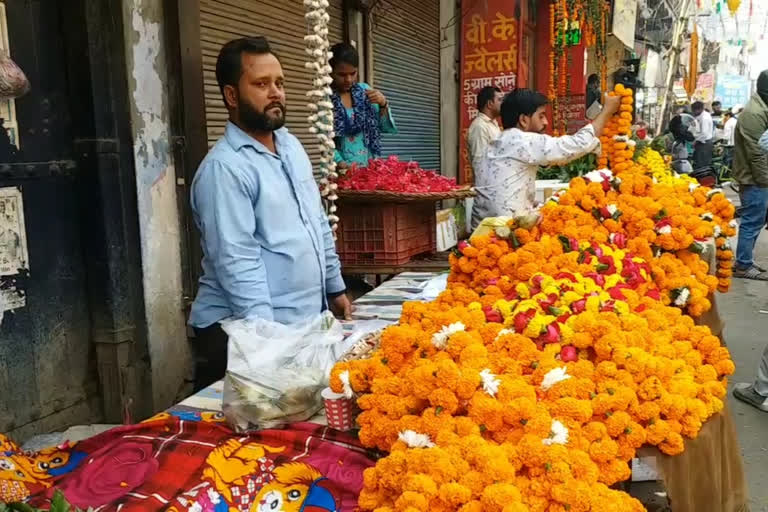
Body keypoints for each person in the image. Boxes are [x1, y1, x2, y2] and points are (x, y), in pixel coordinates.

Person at [188, 37, 351, 390]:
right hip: (244, 337)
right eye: (261, 84)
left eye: (279, 82)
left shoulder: (291, 147)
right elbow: (237, 263)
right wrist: (267, 351)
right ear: (231, 96)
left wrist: (334, 286)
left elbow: (316, 221)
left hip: (298, 327)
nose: (275, 92)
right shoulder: (225, 170)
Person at [471, 89, 621, 228]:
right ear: (523, 120)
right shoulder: (521, 140)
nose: (546, 122)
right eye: (541, 116)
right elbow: (576, 145)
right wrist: (607, 111)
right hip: (504, 232)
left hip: (481, 228)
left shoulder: (499, 141)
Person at [329, 42, 396, 167]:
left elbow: (385, 127)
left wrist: (383, 103)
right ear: (331, 71)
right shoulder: (326, 100)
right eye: (342, 75)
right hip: (341, 173)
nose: (348, 79)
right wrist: (342, 165)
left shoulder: (365, 92)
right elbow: (325, 142)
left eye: (353, 73)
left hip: (370, 169)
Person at [732, 70, 768, 281]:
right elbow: (756, 154)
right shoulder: (755, 113)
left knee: (756, 219)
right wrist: (764, 181)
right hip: (754, 178)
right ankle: (743, 265)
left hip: (757, 176)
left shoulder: (761, 107)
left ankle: (745, 260)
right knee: (752, 220)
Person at [467, 86, 503, 179]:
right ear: (490, 104)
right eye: (500, 100)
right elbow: (479, 163)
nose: (503, 104)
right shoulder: (479, 126)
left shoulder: (493, 124)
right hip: (488, 187)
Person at [691, 101, 714, 170]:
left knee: (702, 164)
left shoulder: (704, 118)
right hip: (703, 143)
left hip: (704, 144)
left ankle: (703, 179)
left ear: (698, 109)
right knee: (700, 162)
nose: (693, 113)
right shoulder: (702, 115)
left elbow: (704, 133)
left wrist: (695, 141)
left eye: (693, 111)